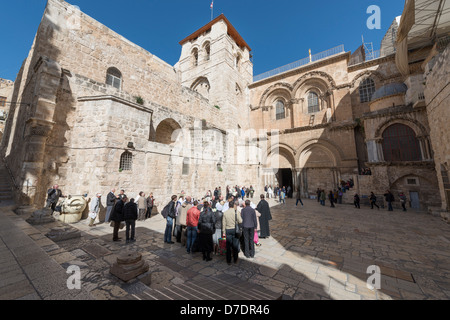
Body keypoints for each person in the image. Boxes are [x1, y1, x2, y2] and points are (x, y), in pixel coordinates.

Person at [222, 200, 243, 265]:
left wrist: (223, 231)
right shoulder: (236, 212)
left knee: (228, 246)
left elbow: (223, 223)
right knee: (235, 245)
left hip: (228, 230)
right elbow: (240, 221)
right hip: (235, 230)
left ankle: (228, 260)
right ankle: (235, 259)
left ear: (228, 205)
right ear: (233, 205)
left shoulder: (225, 213)